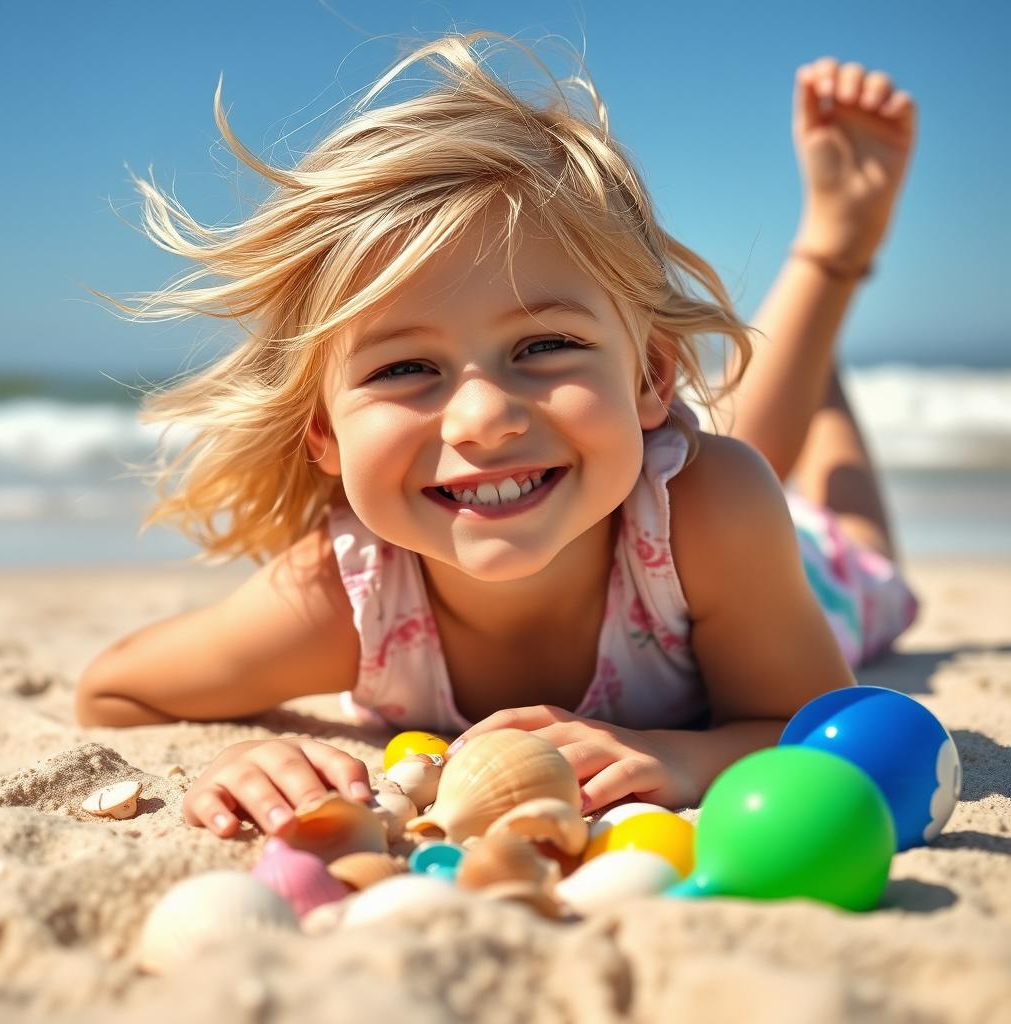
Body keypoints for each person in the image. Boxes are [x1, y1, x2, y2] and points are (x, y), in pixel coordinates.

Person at [75, 34, 920, 839]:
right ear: (323, 434)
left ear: (651, 377)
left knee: (823, 525)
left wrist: (680, 756)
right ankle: (817, 378)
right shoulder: (345, 599)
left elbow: (819, 732)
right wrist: (250, 756)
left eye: (544, 347)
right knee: (724, 461)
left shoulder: (721, 513)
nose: (484, 419)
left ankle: (833, 258)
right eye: (404, 368)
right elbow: (117, 694)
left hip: (800, 570)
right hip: (691, 506)